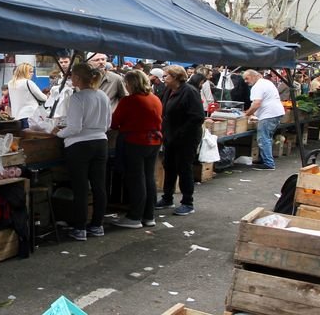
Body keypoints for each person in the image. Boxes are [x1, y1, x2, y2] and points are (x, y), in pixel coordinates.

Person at [52, 63, 110, 241]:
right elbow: (107, 124)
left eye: (72, 76)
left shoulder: (78, 98)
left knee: (80, 188)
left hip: (79, 146)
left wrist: (58, 133)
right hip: (101, 142)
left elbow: (74, 128)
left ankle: (79, 228)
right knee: (99, 186)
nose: (71, 78)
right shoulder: (102, 95)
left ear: (77, 78)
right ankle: (97, 225)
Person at [109, 70, 162, 229]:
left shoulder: (130, 100)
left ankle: (135, 216)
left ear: (131, 83)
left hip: (135, 141)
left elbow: (114, 123)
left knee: (136, 179)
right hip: (154, 141)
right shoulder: (155, 98)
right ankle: (149, 215)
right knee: (148, 177)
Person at [155, 66, 205, 215]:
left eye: (166, 76)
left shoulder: (189, 92)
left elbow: (197, 117)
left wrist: (180, 133)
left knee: (184, 168)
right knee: (169, 166)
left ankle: (187, 202)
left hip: (186, 138)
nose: (164, 79)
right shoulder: (168, 91)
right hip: (170, 137)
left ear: (176, 77)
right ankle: (167, 197)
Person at [243, 69, 284, 171]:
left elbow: (256, 103)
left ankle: (268, 163)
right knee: (267, 137)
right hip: (275, 113)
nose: (246, 81)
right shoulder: (266, 82)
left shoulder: (257, 86)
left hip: (268, 114)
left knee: (263, 138)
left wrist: (247, 114)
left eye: (247, 78)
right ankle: (265, 159)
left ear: (253, 76)